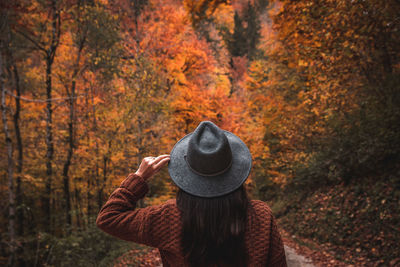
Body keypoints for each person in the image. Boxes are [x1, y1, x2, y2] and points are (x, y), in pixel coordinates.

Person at [96, 121, 287, 266]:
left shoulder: (167, 217)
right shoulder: (261, 216)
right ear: (234, 169)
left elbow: (108, 218)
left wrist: (139, 177)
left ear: (187, 173)